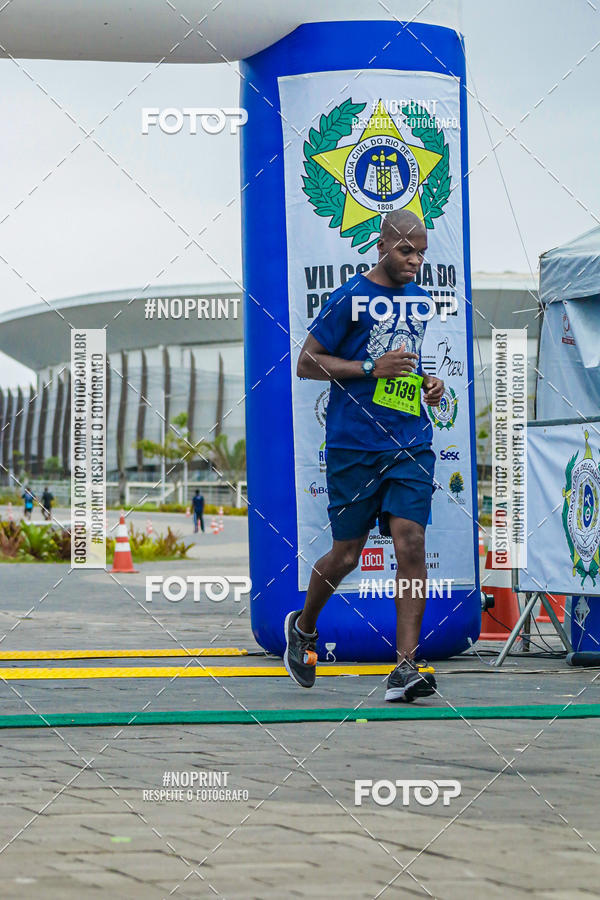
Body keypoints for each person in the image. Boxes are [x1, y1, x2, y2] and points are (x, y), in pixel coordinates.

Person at [284, 210, 445, 703]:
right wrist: (371, 367)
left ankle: (404, 667)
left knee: (410, 541)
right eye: (406, 251)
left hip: (409, 439)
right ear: (382, 246)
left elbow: (404, 366)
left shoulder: (420, 301)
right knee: (346, 555)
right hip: (355, 445)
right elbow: (306, 363)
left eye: (421, 252)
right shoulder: (350, 297)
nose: (415, 261)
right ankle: (304, 627)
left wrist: (428, 384)